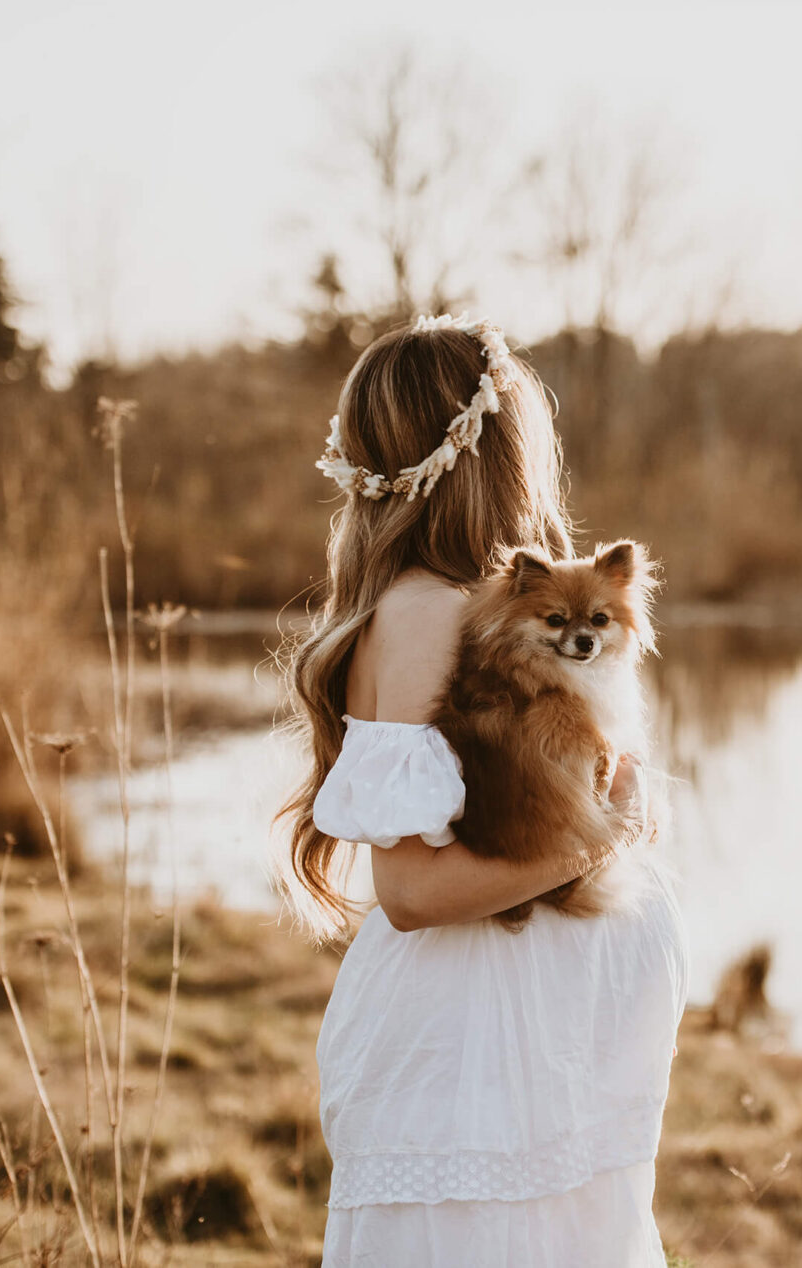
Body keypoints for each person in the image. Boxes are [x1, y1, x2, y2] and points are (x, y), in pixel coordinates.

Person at [278, 315, 687, 1265]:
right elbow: (414, 891)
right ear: (496, 453)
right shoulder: (428, 614)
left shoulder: (492, 607)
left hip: (535, 1055)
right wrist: (603, 837)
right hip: (482, 1048)